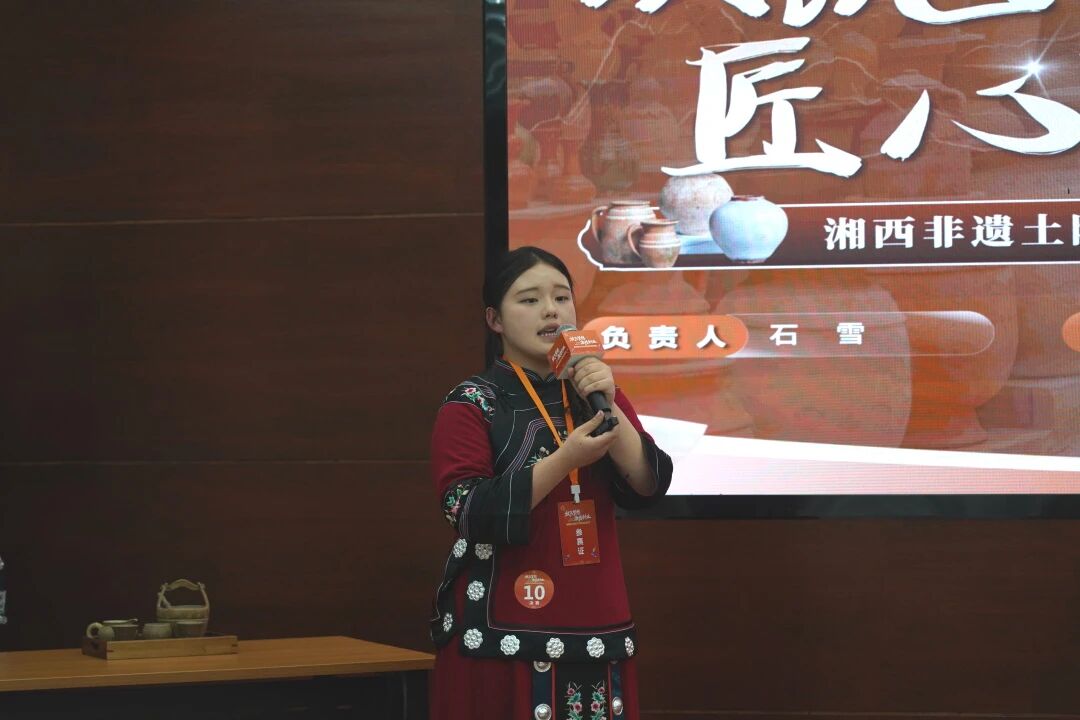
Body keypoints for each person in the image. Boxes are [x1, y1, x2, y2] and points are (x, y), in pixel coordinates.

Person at [428, 246, 672, 720]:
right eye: (529, 300)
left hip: (598, 622)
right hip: (500, 628)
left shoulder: (596, 391)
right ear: (494, 320)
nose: (550, 311)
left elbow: (648, 484)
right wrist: (566, 460)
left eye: (562, 298)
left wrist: (606, 401)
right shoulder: (472, 403)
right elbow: (468, 510)